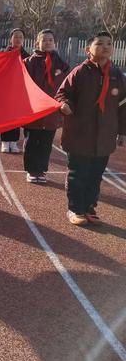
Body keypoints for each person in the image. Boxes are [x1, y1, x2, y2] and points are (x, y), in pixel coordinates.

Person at [55, 31, 126, 225]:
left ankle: (89, 208)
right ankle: (75, 209)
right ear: (88, 50)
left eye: (109, 44)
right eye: (100, 43)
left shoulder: (116, 74)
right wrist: (64, 104)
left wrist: (122, 131)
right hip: (80, 133)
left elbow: (123, 104)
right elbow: (62, 93)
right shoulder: (80, 72)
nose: (105, 47)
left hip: (104, 136)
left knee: (95, 175)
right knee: (78, 174)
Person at [23, 29, 69, 183]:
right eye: (44, 40)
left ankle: (41, 170)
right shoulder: (29, 62)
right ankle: (31, 170)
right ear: (38, 43)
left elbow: (68, 84)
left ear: (54, 43)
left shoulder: (61, 63)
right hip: (34, 110)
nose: (48, 42)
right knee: (31, 142)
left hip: (51, 112)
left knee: (46, 143)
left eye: (50, 40)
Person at [0, 28, 30, 154]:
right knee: (5, 116)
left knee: (16, 116)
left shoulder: (27, 56)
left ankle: (13, 142)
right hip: (5, 89)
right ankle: (5, 142)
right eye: (15, 37)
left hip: (19, 90)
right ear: (11, 39)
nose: (18, 39)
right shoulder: (3, 53)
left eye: (20, 37)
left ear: (23, 40)